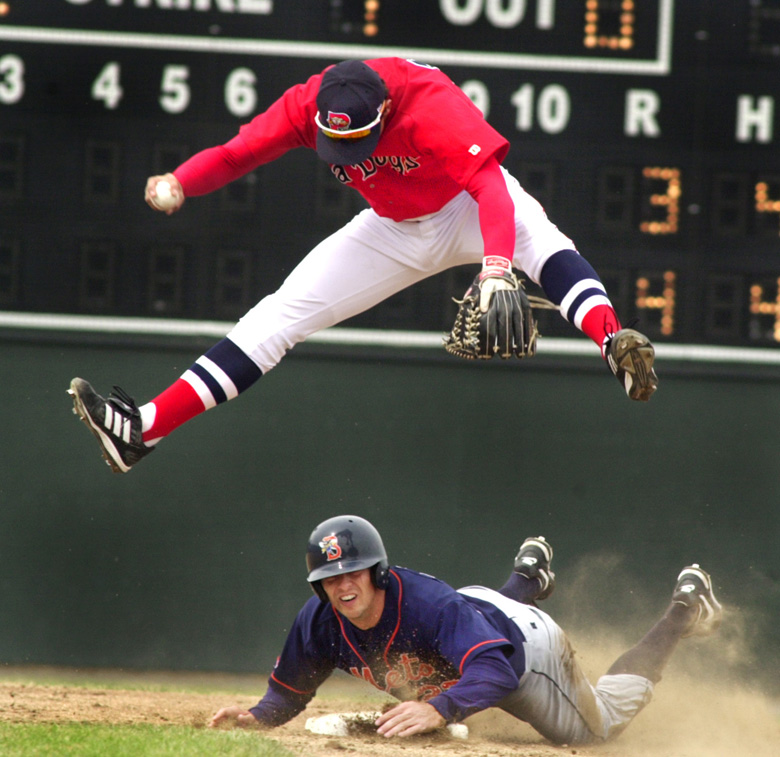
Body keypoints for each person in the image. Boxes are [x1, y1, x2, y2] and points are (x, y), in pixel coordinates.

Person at [68, 58, 658, 474]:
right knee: (279, 315)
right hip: (392, 229)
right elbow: (236, 153)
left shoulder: (430, 103)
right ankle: (143, 429)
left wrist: (497, 268)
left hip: (469, 205)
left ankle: (611, 342)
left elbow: (491, 190)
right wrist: (180, 180)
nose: (346, 155)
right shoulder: (308, 103)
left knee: (546, 246)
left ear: (385, 108)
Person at [207, 514, 722, 744]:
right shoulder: (318, 622)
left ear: (379, 571)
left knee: (599, 729)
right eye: (330, 578)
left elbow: (495, 672)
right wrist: (257, 717)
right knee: (465, 631)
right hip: (477, 610)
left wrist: (438, 708)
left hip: (525, 654)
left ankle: (682, 612)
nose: (343, 586)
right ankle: (525, 577)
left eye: (354, 572)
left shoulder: (427, 606)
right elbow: (287, 694)